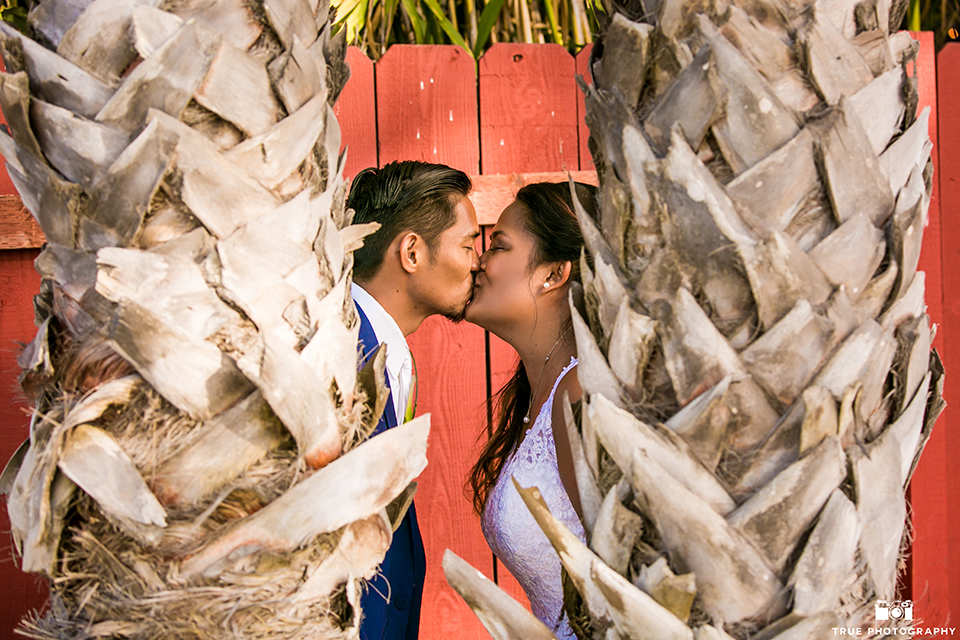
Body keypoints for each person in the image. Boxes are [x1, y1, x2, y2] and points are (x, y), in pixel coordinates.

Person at [347, 160, 480, 640]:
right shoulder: (338, 353)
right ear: (411, 252)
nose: (478, 261)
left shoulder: (389, 354)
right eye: (468, 245)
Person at [465, 181, 598, 639]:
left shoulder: (578, 394)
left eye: (498, 246)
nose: (478, 262)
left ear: (553, 275)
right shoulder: (538, 390)